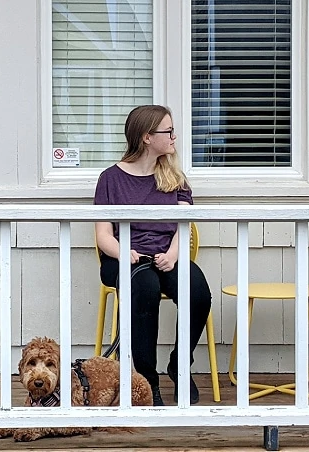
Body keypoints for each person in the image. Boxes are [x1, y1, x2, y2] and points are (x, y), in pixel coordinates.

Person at [94, 105, 212, 406]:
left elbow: (183, 227)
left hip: (167, 255)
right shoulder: (110, 179)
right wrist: (124, 253)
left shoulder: (175, 178)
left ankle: (179, 366)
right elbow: (103, 235)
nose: (174, 137)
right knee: (144, 289)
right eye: (168, 131)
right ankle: (147, 380)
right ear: (147, 137)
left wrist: (173, 254)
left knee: (198, 292)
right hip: (124, 259)